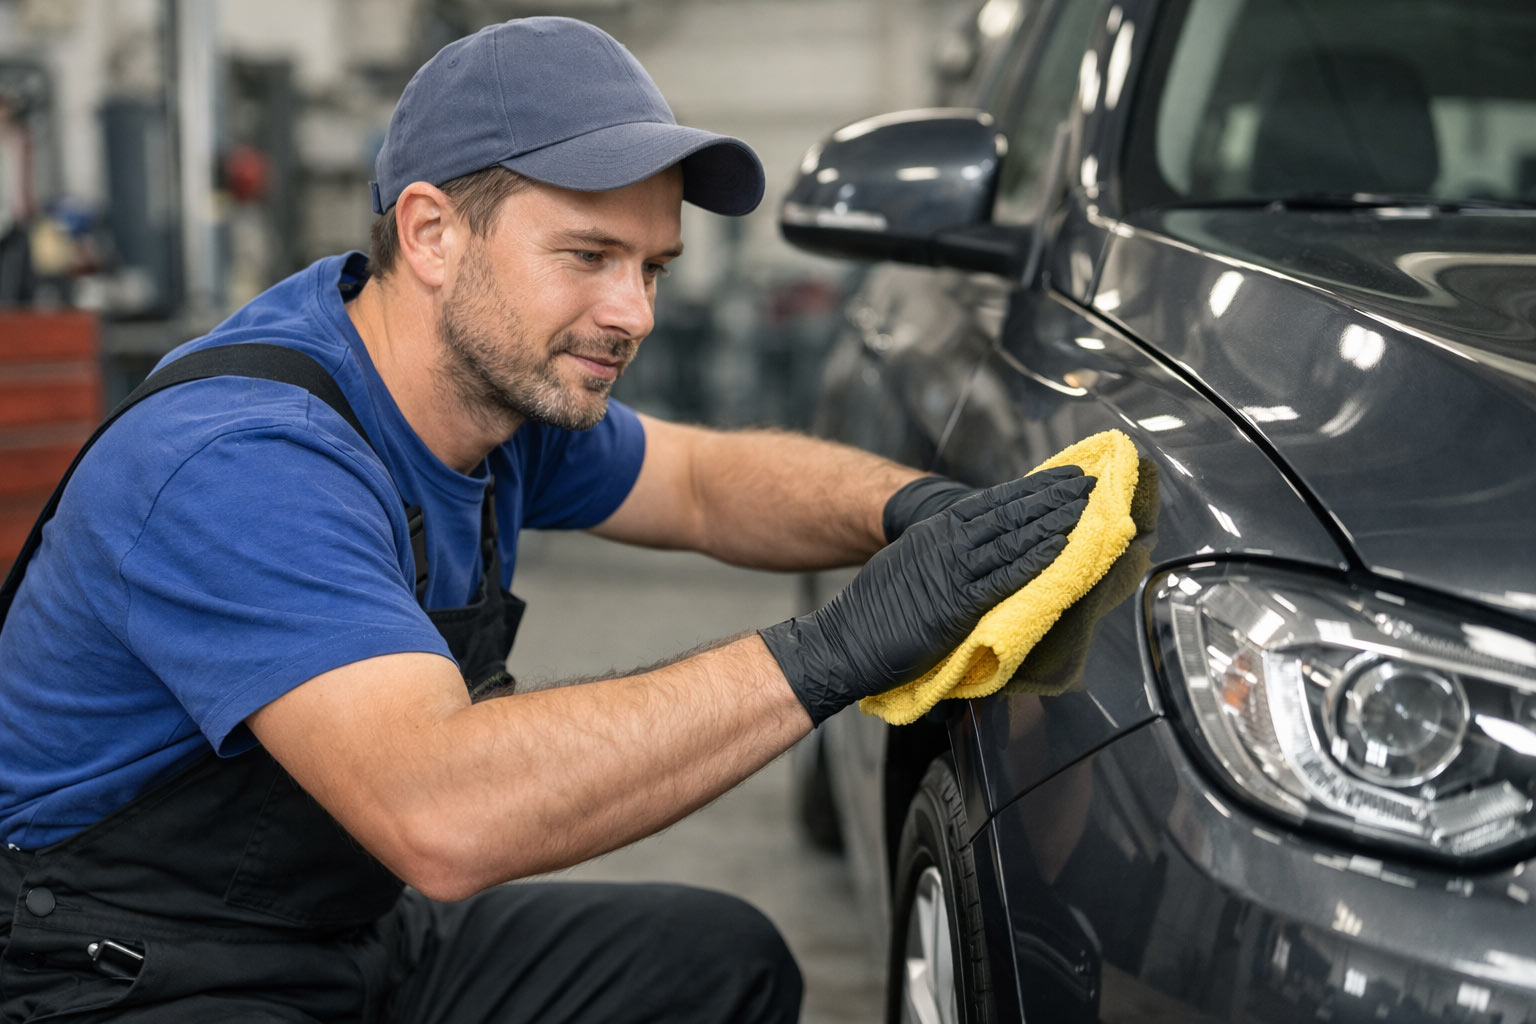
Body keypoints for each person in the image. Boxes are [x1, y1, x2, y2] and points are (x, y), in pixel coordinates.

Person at [0, 16, 1093, 1023]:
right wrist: (836, 649)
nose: (634, 313)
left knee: (721, 963)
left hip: (345, 932)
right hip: (123, 969)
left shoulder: (499, 393)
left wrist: (915, 508)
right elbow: (441, 811)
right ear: (430, 233)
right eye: (588, 257)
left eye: (652, 267)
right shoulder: (244, 460)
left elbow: (705, 481)